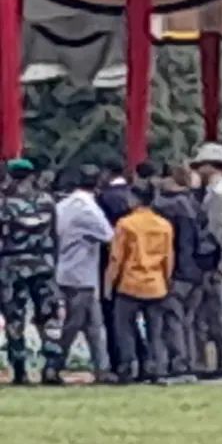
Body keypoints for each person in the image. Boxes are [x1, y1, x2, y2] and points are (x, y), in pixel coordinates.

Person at [0, 158, 63, 385]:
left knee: (15, 318)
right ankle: (51, 367)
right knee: (49, 317)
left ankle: (20, 370)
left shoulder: (4, 203)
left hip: (12, 265)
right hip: (43, 263)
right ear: (32, 175)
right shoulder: (47, 201)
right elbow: (55, 234)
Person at [104, 180, 175, 383]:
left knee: (124, 328)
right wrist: (166, 279)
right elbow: (168, 257)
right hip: (156, 283)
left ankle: (128, 367)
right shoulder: (164, 225)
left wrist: (109, 283)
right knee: (156, 331)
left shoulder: (126, 224)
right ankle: (156, 367)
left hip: (131, 283)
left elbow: (117, 257)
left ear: (134, 199)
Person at [55, 164, 115, 383]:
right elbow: (109, 235)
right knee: (74, 324)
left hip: (65, 270)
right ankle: (54, 364)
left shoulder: (62, 205)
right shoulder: (89, 209)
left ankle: (102, 369)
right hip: (82, 275)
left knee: (93, 326)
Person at [153, 164, 202, 379]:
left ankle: (178, 362)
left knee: (172, 318)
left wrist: (170, 272)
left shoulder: (166, 206)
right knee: (189, 320)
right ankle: (191, 361)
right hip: (196, 270)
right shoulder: (194, 203)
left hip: (177, 271)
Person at [192, 143, 222, 377]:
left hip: (216, 260)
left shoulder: (217, 194)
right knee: (216, 314)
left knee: (216, 314)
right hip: (221, 256)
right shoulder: (221, 191)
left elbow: (215, 231)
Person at [97, 157, 133, 371]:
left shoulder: (105, 198)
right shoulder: (133, 195)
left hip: (111, 262)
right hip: (138, 263)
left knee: (113, 316)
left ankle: (118, 361)